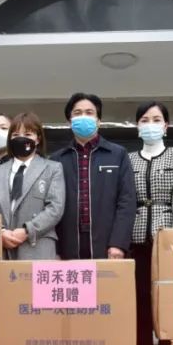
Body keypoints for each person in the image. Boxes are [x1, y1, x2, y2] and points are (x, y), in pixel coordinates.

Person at [129, 101, 173, 345]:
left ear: (166, 126)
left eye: (156, 120)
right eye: (144, 120)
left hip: (167, 244)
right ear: (137, 126)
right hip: (136, 241)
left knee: (168, 308)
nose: (150, 125)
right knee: (140, 306)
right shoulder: (128, 159)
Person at [51, 92, 136, 260]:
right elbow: (51, 206)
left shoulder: (117, 154)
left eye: (89, 113)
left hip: (107, 241)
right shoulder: (56, 160)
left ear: (99, 120)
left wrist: (118, 243)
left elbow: (126, 201)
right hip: (67, 242)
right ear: (69, 121)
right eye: (77, 113)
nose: (83, 116)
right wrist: (55, 249)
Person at [0, 112, 65, 260]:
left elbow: (55, 208)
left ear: (38, 139)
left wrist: (27, 230)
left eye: (27, 134)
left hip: (38, 245)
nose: (21, 138)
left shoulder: (52, 168)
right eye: (15, 135)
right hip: (3, 247)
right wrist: (0, 232)